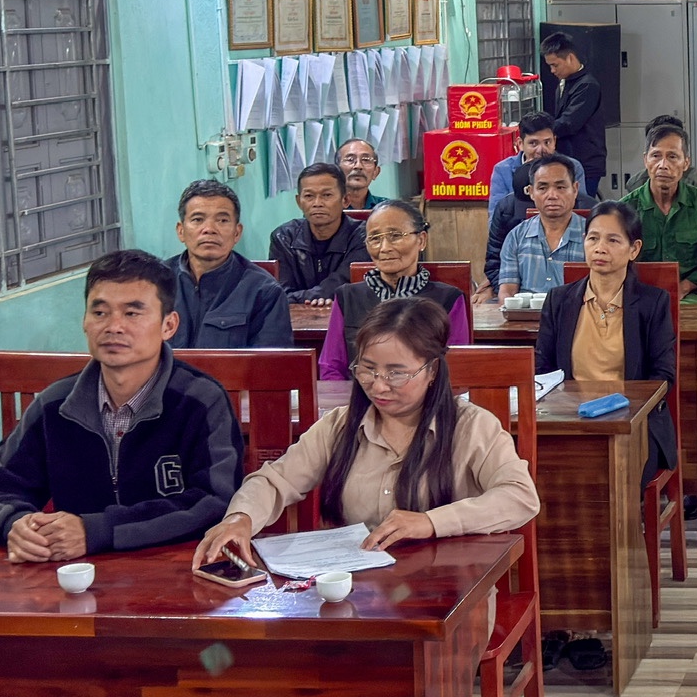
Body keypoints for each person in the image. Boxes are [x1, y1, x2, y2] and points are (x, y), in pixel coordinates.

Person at [194, 296, 537, 567]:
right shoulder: (340, 426)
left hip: (449, 592)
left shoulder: (472, 426)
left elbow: (520, 497)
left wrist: (431, 522)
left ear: (432, 370)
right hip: (357, 592)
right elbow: (274, 481)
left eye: (396, 373)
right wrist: (240, 518)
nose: (379, 385)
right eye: (368, 369)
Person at [0, 249, 243, 560]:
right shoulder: (57, 405)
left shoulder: (201, 400)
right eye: (100, 312)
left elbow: (215, 501)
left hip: (174, 569)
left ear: (168, 325)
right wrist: (16, 525)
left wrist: (98, 531)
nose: (113, 327)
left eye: (132, 313)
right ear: (84, 322)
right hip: (76, 573)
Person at [532, 201, 679, 493]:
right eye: (593, 238)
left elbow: (664, 376)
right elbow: (541, 369)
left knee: (611, 475)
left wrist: (619, 411)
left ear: (634, 249)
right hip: (570, 422)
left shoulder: (653, 303)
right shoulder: (559, 300)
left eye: (613, 240)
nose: (600, 248)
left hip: (631, 425)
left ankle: (623, 523)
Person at [323, 200, 471, 382]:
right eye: (375, 239)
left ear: (421, 240)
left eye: (395, 236)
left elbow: (455, 369)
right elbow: (331, 367)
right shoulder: (347, 297)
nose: (384, 248)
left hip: (426, 397)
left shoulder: (449, 299)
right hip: (361, 395)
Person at [167, 178, 291, 348]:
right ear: (181, 231)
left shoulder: (264, 291)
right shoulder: (155, 283)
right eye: (197, 219)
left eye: (222, 220)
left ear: (237, 233)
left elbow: (271, 361)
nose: (209, 229)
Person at [625, 118, 697, 300]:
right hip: (638, 294)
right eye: (656, 156)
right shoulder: (626, 209)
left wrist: (684, 287)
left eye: (672, 157)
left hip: (691, 295)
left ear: (686, 163)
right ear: (645, 160)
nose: (663, 165)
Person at [488, 154, 588, 300]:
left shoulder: (592, 236)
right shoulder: (516, 237)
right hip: (525, 314)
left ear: (575, 189)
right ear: (531, 192)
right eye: (542, 188)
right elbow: (507, 292)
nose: (552, 195)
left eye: (560, 187)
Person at [270, 161, 369, 303]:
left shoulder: (364, 236)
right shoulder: (284, 238)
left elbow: (343, 285)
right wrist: (314, 298)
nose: (317, 203)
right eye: (309, 196)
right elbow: (279, 293)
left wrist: (307, 297)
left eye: (327, 195)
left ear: (346, 200)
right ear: (299, 201)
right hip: (295, 315)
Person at [486, 113, 587, 236]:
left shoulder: (573, 167)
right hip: (517, 236)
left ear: (554, 141)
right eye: (533, 143)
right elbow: (495, 220)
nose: (541, 150)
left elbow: (581, 211)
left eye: (547, 142)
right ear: (520, 144)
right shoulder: (503, 170)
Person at [541, 31, 606, 202]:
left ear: (570, 58)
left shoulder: (587, 85)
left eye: (555, 65)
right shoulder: (564, 82)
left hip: (585, 162)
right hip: (568, 159)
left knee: (581, 207)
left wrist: (541, 131)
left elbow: (569, 123)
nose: (552, 70)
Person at [337, 138, 382, 213]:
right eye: (350, 159)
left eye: (366, 160)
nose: (358, 166)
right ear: (337, 170)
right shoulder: (328, 208)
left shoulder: (387, 209)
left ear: (375, 172)